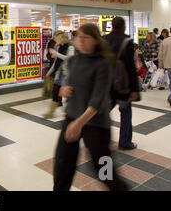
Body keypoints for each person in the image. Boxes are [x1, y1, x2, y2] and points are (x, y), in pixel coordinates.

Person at [53, 23, 129, 191]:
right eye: (79, 36)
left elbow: (98, 99)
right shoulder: (73, 61)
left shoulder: (103, 65)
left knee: (105, 172)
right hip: (72, 118)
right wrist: (64, 89)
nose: (80, 40)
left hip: (96, 124)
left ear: (95, 40)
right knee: (62, 166)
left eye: (85, 37)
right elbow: (71, 84)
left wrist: (79, 123)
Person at [104, 17, 140, 150]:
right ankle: (125, 142)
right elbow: (131, 67)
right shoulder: (127, 41)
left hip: (107, 84)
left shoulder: (104, 40)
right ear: (123, 27)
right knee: (125, 113)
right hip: (123, 85)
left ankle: (97, 137)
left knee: (103, 111)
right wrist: (135, 89)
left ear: (111, 26)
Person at [44, 31, 75, 118]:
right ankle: (51, 112)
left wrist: (55, 53)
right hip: (59, 73)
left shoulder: (70, 47)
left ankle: (69, 112)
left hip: (67, 74)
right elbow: (56, 62)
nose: (54, 40)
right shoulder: (59, 47)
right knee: (55, 92)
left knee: (68, 94)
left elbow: (69, 58)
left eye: (55, 38)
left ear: (60, 38)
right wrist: (49, 72)